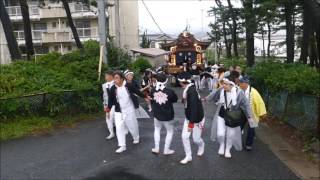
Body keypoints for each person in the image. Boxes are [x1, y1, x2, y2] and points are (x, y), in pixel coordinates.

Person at [208, 77, 253, 158]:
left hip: (233, 116)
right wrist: (205, 99)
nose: (223, 85)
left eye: (226, 84)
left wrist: (249, 117)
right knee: (220, 134)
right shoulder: (221, 89)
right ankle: (222, 145)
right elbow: (213, 95)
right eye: (223, 83)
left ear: (231, 84)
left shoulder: (239, 93)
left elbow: (246, 105)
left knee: (230, 135)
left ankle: (228, 149)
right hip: (222, 113)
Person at [106, 71, 148, 153]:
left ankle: (136, 137)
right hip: (119, 111)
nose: (115, 80)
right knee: (119, 128)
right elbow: (110, 100)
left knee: (132, 125)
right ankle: (122, 145)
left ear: (122, 79)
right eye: (114, 78)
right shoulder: (113, 88)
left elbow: (137, 91)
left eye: (116, 78)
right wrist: (108, 110)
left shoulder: (128, 85)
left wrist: (145, 97)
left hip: (129, 109)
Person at [178, 72, 205, 164]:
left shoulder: (191, 91)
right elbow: (188, 102)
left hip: (197, 118)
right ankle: (188, 156)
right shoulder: (188, 89)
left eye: (179, 81)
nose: (179, 83)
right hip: (189, 117)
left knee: (196, 139)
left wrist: (191, 124)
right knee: (184, 137)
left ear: (183, 82)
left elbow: (194, 108)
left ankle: (201, 145)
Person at [149, 73, 178, 155]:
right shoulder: (170, 91)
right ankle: (166, 150)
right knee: (169, 131)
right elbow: (175, 100)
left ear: (156, 80)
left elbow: (151, 100)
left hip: (157, 115)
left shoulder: (153, 90)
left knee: (157, 130)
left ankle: (156, 148)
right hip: (168, 115)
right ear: (166, 81)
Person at [238, 76, 267, 151]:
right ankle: (237, 141)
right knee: (238, 127)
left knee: (251, 129)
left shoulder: (253, 92)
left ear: (245, 83)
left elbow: (259, 103)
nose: (239, 84)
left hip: (252, 113)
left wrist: (262, 114)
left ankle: (248, 144)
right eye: (239, 83)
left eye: (240, 83)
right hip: (242, 112)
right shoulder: (239, 90)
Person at [102, 71, 115, 140]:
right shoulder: (104, 85)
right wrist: (105, 105)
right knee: (108, 118)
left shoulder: (116, 82)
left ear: (111, 76)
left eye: (106, 76)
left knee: (120, 119)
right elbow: (104, 96)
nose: (105, 77)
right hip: (109, 105)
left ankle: (124, 130)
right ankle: (111, 133)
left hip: (117, 104)